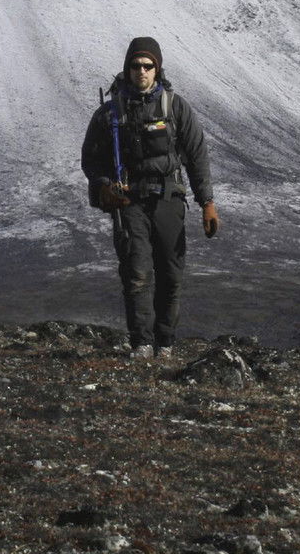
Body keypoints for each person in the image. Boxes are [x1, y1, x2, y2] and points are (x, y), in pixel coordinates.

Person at [81, 37, 219, 359]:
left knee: (171, 274)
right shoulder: (109, 114)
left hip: (169, 199)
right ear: (127, 68)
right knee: (136, 272)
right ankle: (142, 343)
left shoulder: (175, 107)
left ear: (157, 69)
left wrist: (207, 203)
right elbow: (91, 159)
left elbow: (197, 157)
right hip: (129, 203)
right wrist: (103, 185)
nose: (141, 71)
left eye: (147, 65)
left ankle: (165, 343)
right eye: (135, 65)